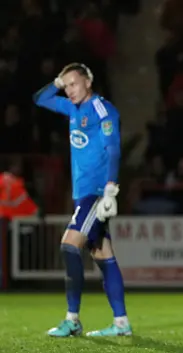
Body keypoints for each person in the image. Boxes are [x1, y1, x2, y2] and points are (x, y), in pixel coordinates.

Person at [33, 63, 131, 337]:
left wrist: (111, 187)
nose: (70, 90)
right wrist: (58, 81)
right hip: (83, 193)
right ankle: (121, 323)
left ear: (88, 81)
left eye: (74, 83)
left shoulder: (101, 109)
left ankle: (72, 319)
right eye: (67, 87)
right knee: (102, 253)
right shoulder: (72, 108)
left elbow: (113, 149)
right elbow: (40, 99)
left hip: (96, 192)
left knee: (69, 245)